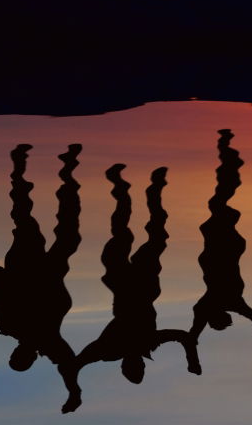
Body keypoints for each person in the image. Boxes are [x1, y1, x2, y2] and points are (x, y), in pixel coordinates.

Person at [0, 144, 83, 414]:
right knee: (67, 230)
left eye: (16, 355)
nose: (21, 353)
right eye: (23, 358)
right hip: (49, 272)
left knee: (26, 221)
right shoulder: (48, 342)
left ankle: (18, 171)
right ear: (31, 357)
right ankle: (67, 169)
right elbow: (67, 364)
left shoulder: (9, 324)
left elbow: (1, 291)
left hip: (25, 268)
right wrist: (74, 393)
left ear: (15, 353)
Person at [75, 164, 200, 389]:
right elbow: (184, 336)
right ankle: (154, 191)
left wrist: (74, 391)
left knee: (122, 232)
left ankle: (120, 187)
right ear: (143, 365)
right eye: (139, 368)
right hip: (144, 286)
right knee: (157, 237)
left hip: (122, 283)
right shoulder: (148, 343)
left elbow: (77, 364)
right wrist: (192, 360)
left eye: (131, 368)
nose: (136, 364)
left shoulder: (108, 350)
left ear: (123, 366)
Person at [190, 129, 252, 339]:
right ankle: (228, 158)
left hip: (223, 247)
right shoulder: (226, 301)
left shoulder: (224, 302)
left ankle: (229, 160)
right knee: (217, 203)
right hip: (222, 247)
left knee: (218, 202)